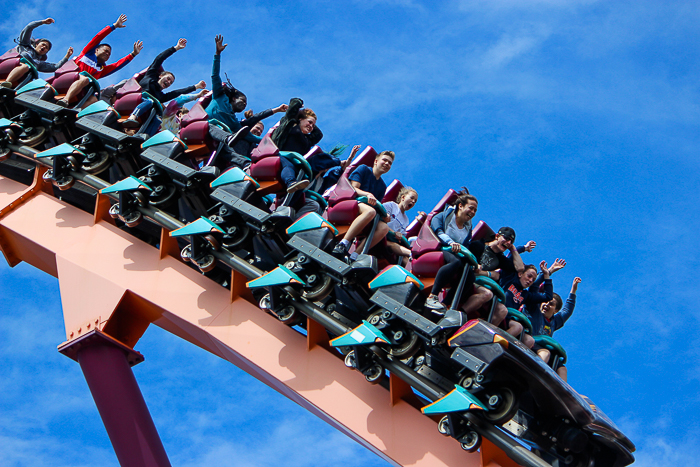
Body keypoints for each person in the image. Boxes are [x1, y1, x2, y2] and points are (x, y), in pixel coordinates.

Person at [205, 35, 286, 168]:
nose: (244, 105)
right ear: (234, 98)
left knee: (229, 150)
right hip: (204, 127)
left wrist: (274, 146)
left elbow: (252, 138)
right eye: (242, 101)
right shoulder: (220, 97)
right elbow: (215, 75)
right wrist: (217, 54)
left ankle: (246, 166)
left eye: (246, 104)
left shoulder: (234, 123)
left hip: (218, 141)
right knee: (213, 127)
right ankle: (227, 138)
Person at [423, 192, 493, 318]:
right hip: (438, 248)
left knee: (470, 276)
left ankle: (445, 305)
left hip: (454, 254)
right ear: (460, 206)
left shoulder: (467, 229)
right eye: (470, 208)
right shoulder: (444, 216)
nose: (472, 212)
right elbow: (437, 231)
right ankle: (432, 296)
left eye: (475, 210)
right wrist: (451, 242)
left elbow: (465, 247)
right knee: (455, 262)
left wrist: (474, 264)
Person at [121, 38, 206, 135]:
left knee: (158, 119)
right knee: (149, 101)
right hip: (135, 100)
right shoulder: (150, 77)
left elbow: (178, 93)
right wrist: (176, 48)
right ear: (160, 75)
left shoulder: (161, 96)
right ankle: (132, 116)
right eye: (168, 79)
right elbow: (159, 59)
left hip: (147, 111)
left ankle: (144, 137)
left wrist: (196, 87)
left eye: (171, 82)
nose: (169, 82)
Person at [58, 14, 143, 107]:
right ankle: (66, 100)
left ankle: (74, 113)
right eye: (106, 51)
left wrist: (133, 54)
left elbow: (117, 65)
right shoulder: (87, 53)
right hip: (70, 78)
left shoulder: (101, 69)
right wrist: (114, 26)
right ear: (97, 50)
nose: (107, 54)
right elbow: (98, 37)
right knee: (85, 79)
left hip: (82, 89)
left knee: (95, 99)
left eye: (109, 54)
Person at [331, 151, 394, 257]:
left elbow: (376, 204)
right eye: (385, 160)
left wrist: (385, 216)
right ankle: (342, 244)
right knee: (370, 211)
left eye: (390, 163)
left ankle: (355, 255)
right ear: (376, 161)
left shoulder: (382, 186)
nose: (387, 164)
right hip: (351, 202)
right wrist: (367, 194)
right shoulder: (363, 169)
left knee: (384, 227)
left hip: (367, 210)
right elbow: (353, 189)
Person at [530, 277, 580, 382]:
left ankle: (563, 392)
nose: (547, 304)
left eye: (551, 304)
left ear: (556, 310)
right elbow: (533, 290)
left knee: (562, 367)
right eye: (545, 302)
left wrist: (573, 290)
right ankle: (533, 373)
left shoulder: (554, 321)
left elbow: (568, 309)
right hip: (530, 343)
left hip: (542, 348)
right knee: (546, 352)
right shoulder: (534, 312)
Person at [1, 18, 73, 88]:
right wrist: (42, 22)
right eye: (43, 44)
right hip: (12, 65)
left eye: (46, 48)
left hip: (24, 78)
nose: (44, 47)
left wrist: (67, 56)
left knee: (38, 85)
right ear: (36, 44)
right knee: (25, 67)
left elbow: (56, 67)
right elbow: (29, 28)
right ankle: (5, 83)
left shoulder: (39, 63)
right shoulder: (25, 45)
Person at [384, 186, 423, 265]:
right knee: (394, 245)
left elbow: (402, 236)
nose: (413, 202)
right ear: (403, 197)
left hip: (392, 241)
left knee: (405, 259)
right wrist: (394, 233)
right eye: (411, 198)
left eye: (415, 201)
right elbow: (380, 219)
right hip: (382, 235)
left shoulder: (406, 220)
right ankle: (412, 254)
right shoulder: (391, 206)